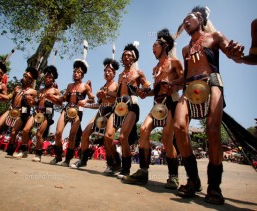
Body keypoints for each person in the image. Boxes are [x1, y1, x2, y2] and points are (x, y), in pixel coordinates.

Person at [173, 6, 243, 205]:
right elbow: (185, 76)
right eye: (183, 21)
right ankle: (193, 179)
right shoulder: (186, 49)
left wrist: (235, 51)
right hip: (189, 87)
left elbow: (232, 54)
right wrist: (172, 83)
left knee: (212, 131)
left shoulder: (215, 37)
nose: (185, 23)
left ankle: (214, 185)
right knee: (178, 126)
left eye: (189, 18)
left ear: (200, 18)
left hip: (212, 82)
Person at [122, 29, 184, 187]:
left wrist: (172, 85)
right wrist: (144, 93)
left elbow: (184, 81)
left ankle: (173, 176)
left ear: (165, 46)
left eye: (155, 45)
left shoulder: (175, 62)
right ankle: (143, 171)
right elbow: (156, 90)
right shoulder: (156, 68)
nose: (152, 49)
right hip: (157, 104)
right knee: (144, 130)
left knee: (166, 137)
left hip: (171, 102)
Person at [104, 43, 151, 179]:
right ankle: (116, 162)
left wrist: (143, 89)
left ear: (134, 58)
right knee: (107, 136)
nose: (126, 57)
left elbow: (147, 88)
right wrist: (106, 94)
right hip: (118, 106)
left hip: (131, 105)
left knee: (123, 137)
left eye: (129, 55)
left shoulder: (138, 73)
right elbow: (118, 94)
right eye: (124, 55)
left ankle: (126, 169)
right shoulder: (119, 76)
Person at [0, 67, 38, 155]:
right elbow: (8, 97)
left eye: (26, 76)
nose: (24, 77)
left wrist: (31, 101)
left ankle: (10, 151)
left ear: (31, 80)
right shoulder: (17, 88)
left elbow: (35, 103)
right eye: (24, 75)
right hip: (11, 109)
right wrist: (0, 95)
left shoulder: (33, 91)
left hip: (22, 112)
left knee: (13, 132)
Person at [70, 58, 119, 168]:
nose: (106, 73)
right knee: (85, 133)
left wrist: (107, 94)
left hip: (111, 112)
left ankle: (114, 162)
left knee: (108, 137)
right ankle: (83, 160)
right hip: (100, 112)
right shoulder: (102, 87)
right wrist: (85, 105)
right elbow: (98, 104)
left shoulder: (116, 85)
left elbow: (119, 98)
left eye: (109, 71)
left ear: (114, 73)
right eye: (105, 71)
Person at [49, 60, 95, 166]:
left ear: (82, 74)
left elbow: (92, 98)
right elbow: (64, 98)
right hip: (66, 109)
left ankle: (68, 159)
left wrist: (86, 101)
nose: (75, 73)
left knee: (72, 135)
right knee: (58, 133)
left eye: (78, 72)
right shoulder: (69, 86)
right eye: (74, 71)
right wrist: (53, 97)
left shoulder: (85, 86)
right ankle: (58, 156)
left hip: (77, 111)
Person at [16, 65, 61, 161]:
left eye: (50, 77)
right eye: (46, 77)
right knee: (25, 130)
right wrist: (30, 101)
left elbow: (60, 103)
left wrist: (51, 97)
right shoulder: (40, 90)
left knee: (39, 134)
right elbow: (35, 103)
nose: (47, 79)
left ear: (53, 79)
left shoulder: (55, 90)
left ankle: (38, 154)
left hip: (46, 114)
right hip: (37, 112)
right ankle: (23, 151)